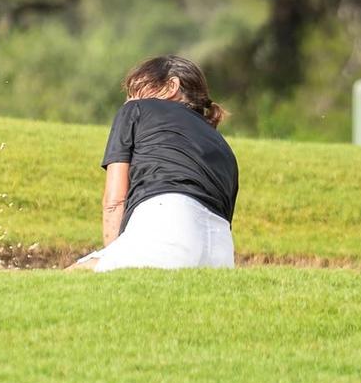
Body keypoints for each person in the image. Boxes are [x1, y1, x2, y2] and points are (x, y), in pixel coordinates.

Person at [70, 55, 238, 272]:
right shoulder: (223, 146)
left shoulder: (136, 110)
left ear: (171, 86)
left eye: (136, 91)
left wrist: (111, 257)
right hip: (221, 255)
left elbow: (114, 201)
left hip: (168, 230)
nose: (129, 100)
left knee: (75, 274)